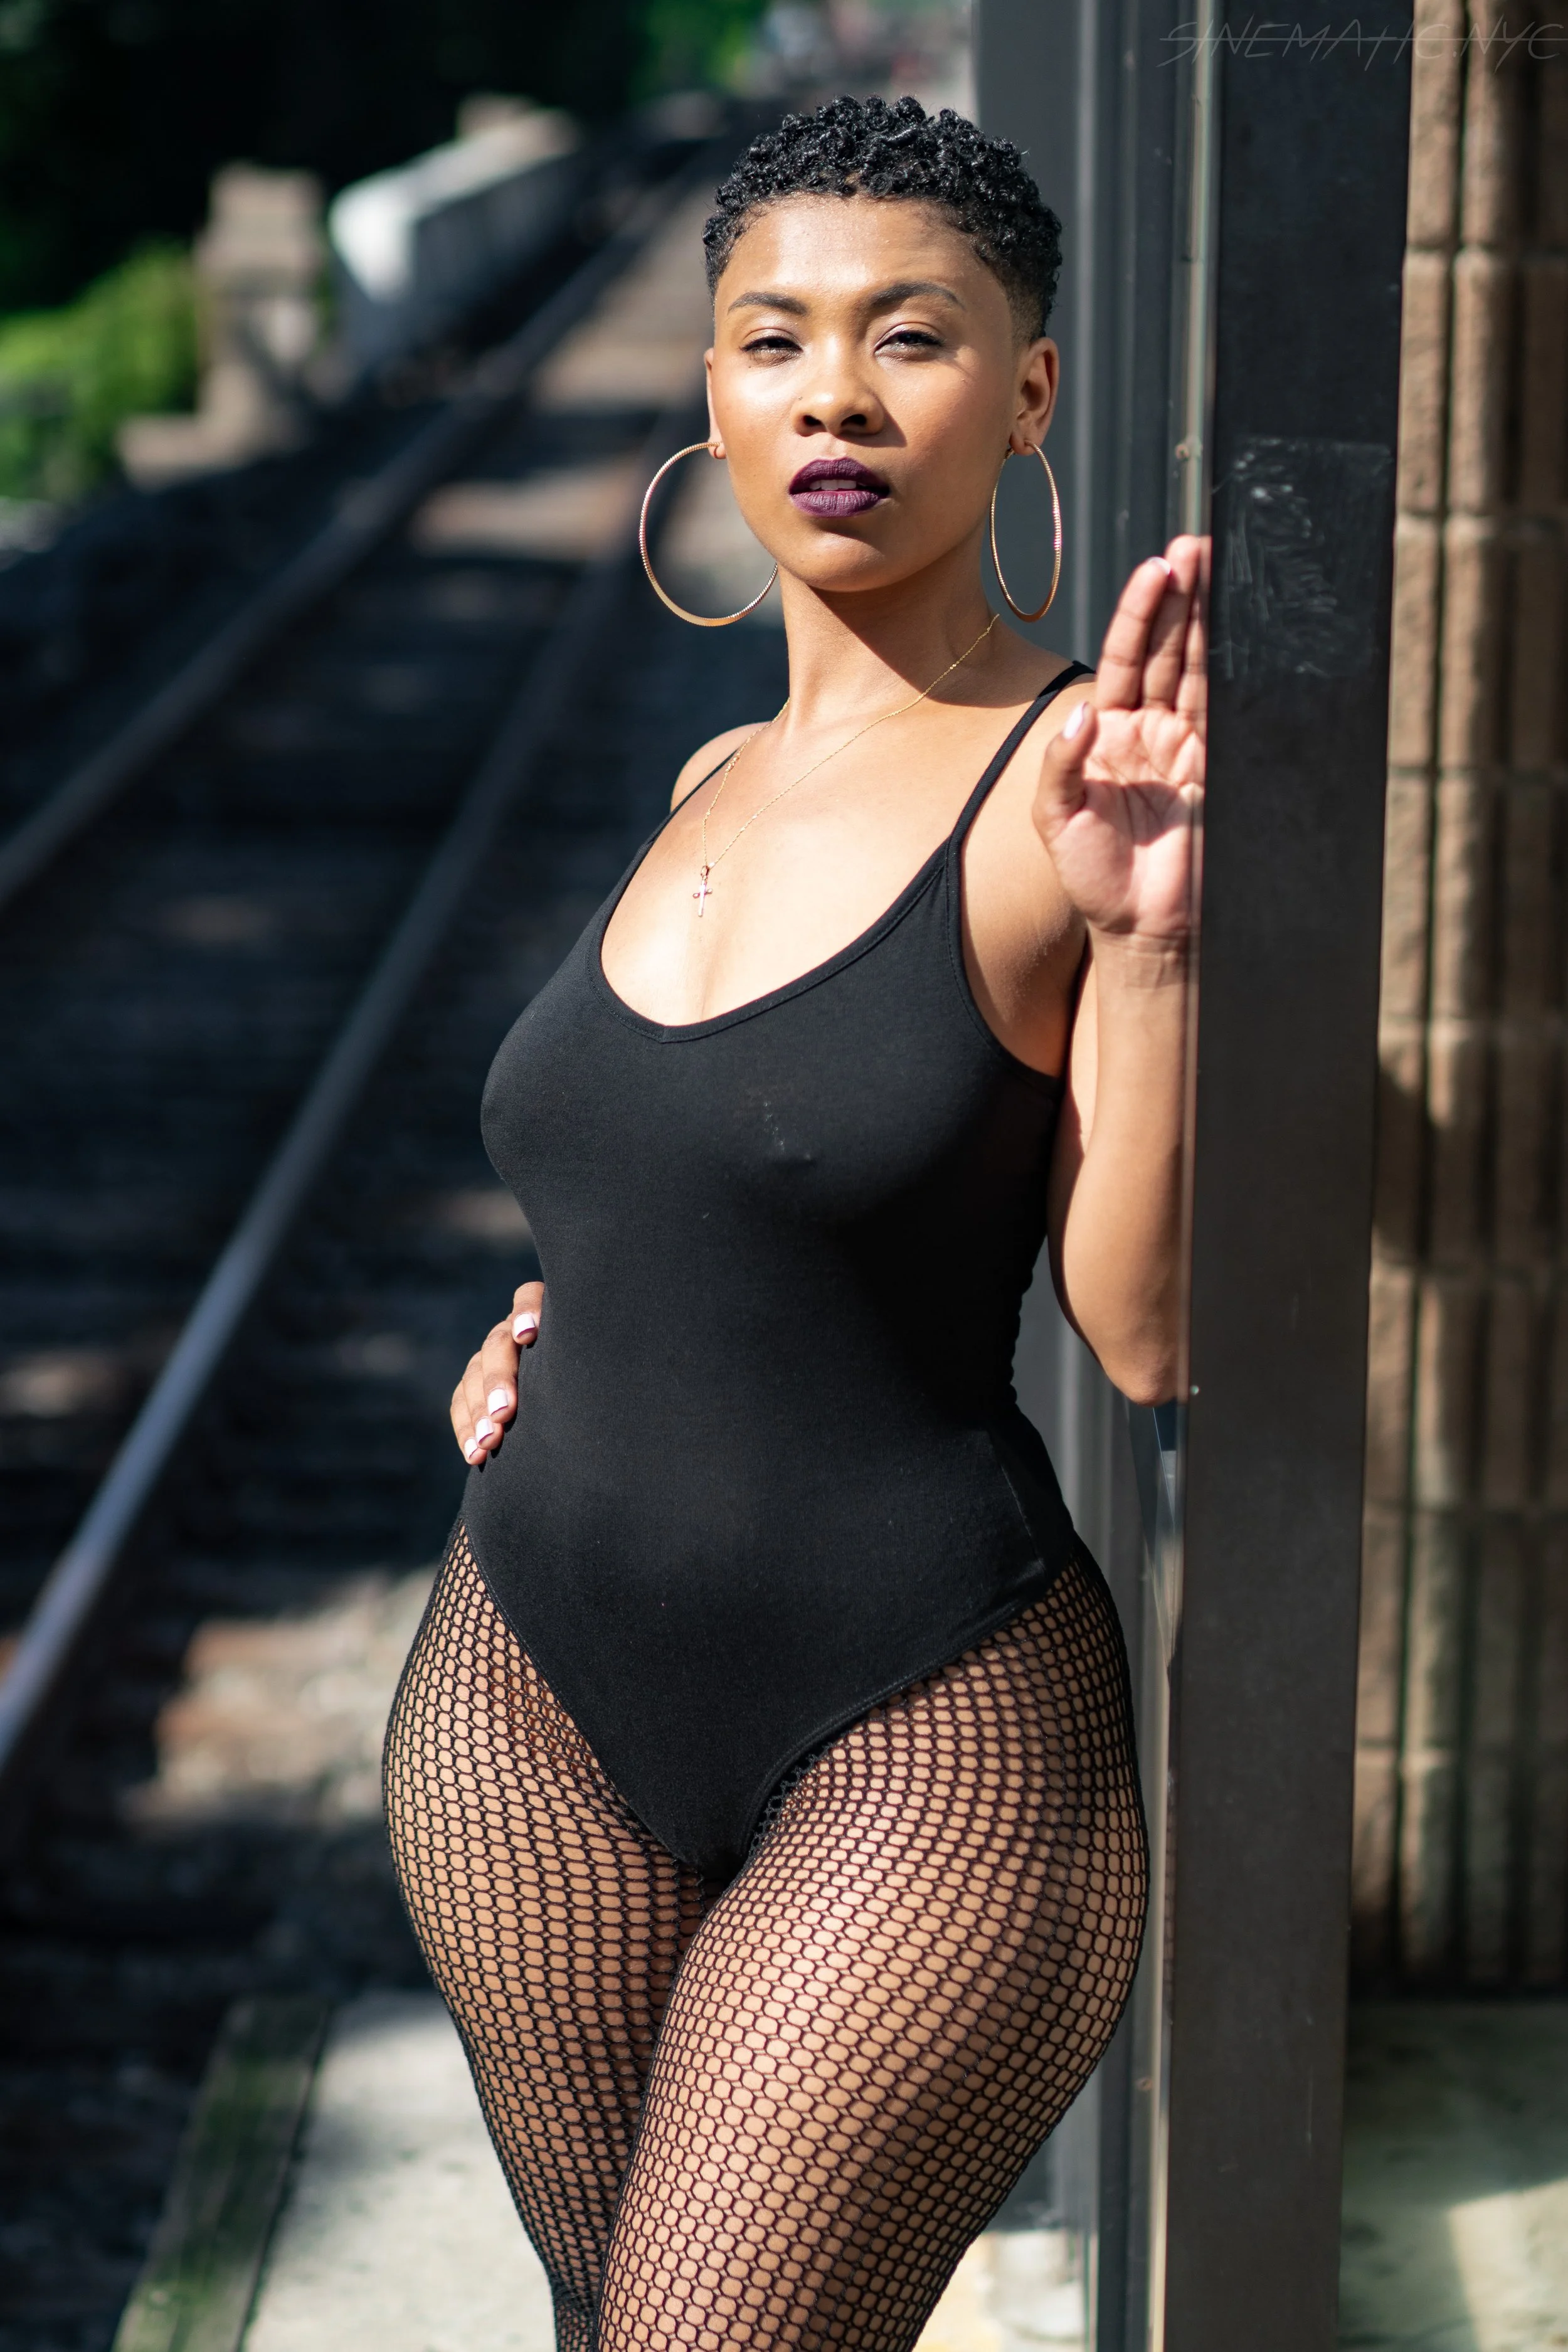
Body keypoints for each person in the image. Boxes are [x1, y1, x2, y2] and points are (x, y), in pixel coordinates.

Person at [384, 93, 1204, 2352]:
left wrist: (1147, 957)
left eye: (908, 338)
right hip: (525, 1690)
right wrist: (555, 1318)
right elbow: (687, 1179)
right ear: (716, 394)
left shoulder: (1069, 794)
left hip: (917, 1730)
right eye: (773, 338)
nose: (832, 391)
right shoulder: (697, 784)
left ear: (1027, 390)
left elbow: (1146, 1333)